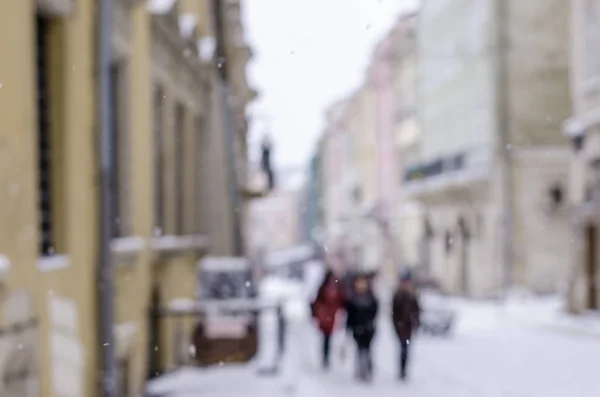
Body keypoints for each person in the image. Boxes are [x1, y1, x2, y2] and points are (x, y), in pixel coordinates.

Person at [345, 274, 379, 381]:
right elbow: (350, 316)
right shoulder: (353, 299)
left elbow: (374, 311)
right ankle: (360, 369)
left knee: (367, 350)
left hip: (368, 328)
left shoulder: (371, 298)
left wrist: (369, 321)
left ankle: (367, 369)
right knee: (360, 349)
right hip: (357, 328)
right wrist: (349, 327)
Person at [311, 268, 346, 369]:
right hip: (325, 316)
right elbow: (318, 301)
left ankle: (326, 357)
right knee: (326, 338)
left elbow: (341, 300)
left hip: (331, 316)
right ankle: (325, 357)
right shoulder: (325, 288)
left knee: (328, 337)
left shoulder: (335, 288)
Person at [391, 269, 421, 381]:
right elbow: (393, 313)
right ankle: (401, 370)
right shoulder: (397, 295)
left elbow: (417, 310)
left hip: (408, 326)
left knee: (406, 348)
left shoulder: (412, 295)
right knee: (402, 348)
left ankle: (404, 370)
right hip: (400, 326)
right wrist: (396, 325)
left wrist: (416, 323)